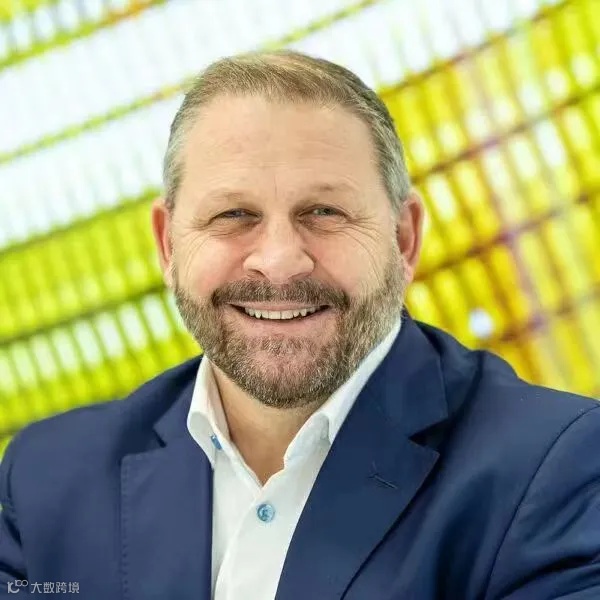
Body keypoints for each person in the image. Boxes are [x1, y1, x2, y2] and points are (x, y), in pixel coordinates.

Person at [0, 50, 599, 600]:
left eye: (324, 211)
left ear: (403, 239)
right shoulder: (45, 481)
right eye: (234, 214)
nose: (280, 260)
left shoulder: (558, 467)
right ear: (168, 245)